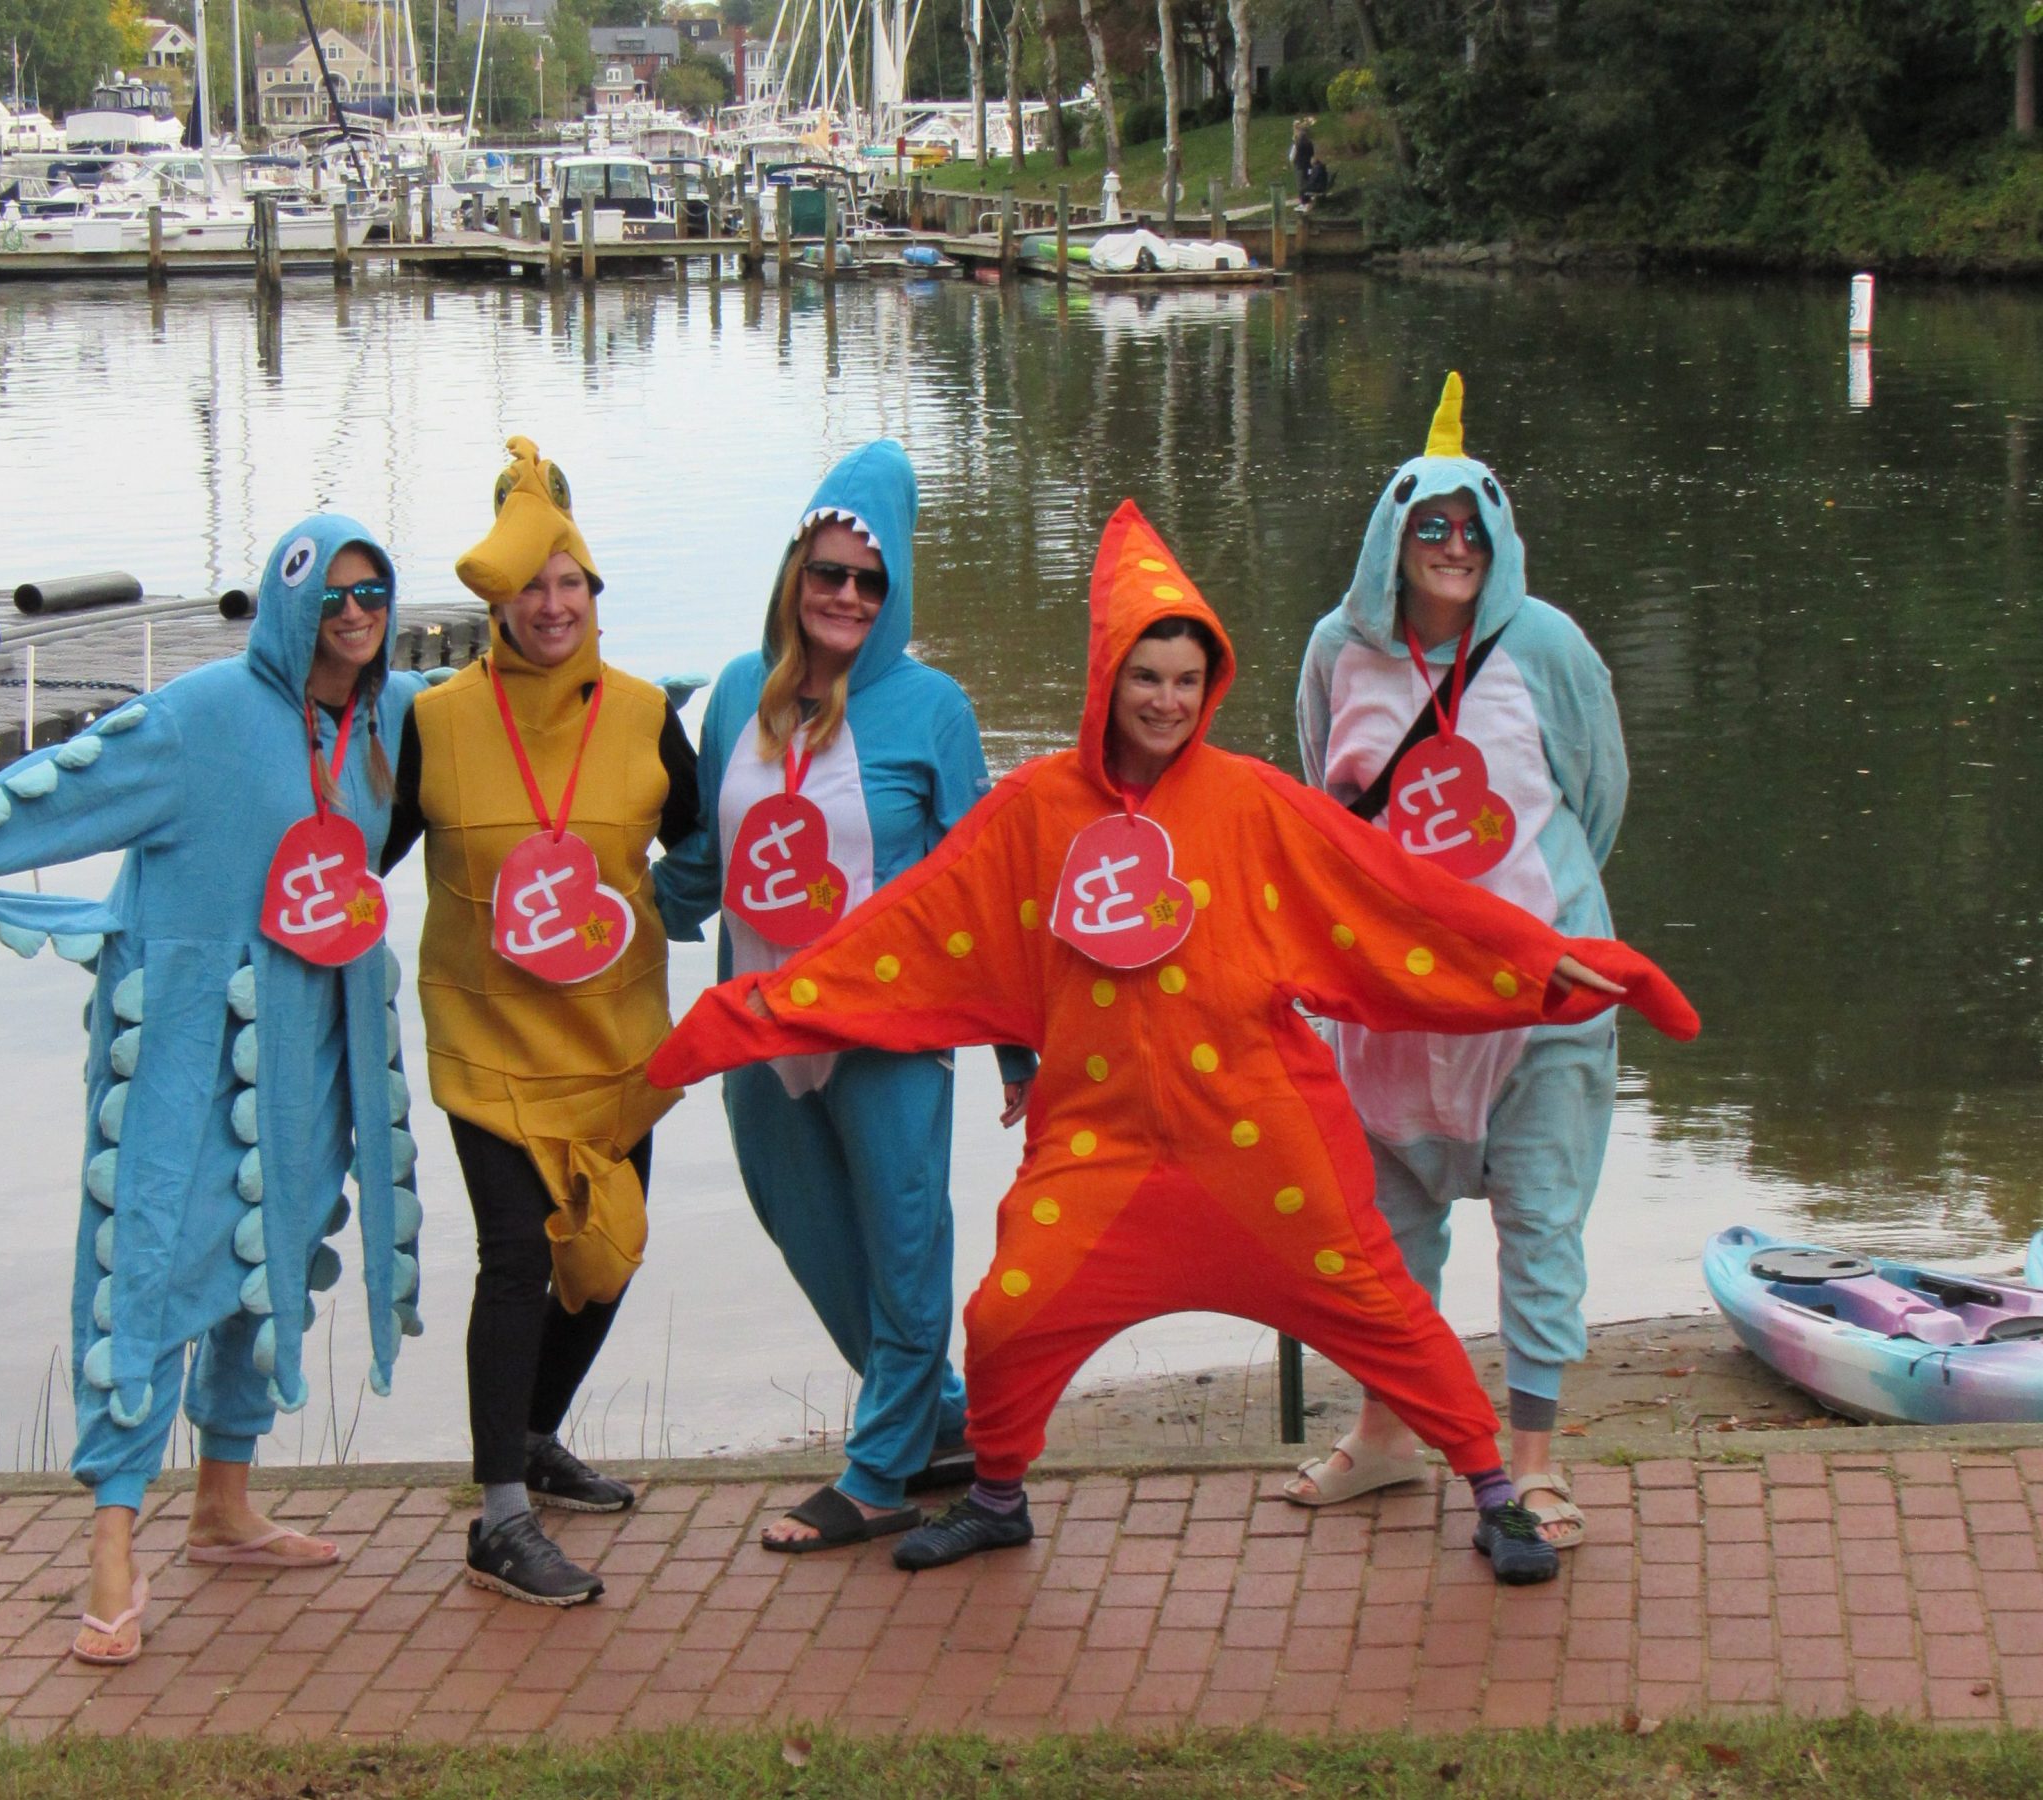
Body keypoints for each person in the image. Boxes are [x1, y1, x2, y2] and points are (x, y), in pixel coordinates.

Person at [646, 501, 1698, 1586]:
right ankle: (997, 1496)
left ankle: (1491, 1487)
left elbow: (1394, 905)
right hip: (1097, 1150)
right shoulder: (1035, 812)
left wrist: (1536, 961)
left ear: (1212, 688)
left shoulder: (1254, 806)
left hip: (1263, 1139)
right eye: (1147, 676)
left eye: (1187, 681)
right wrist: (743, 1014)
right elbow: (911, 933)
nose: (1166, 700)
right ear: (1110, 679)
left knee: (1380, 1306)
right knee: (1008, 1319)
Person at [0, 517, 429, 1664]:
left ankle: (224, 1507)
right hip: (186, 1041)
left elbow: (496, 724)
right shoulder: (197, 719)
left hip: (311, 1040)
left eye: (373, 592)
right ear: (293, 602)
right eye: (335, 595)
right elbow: (54, 793)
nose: (355, 613)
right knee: (146, 1265)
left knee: (274, 1256)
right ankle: (111, 1542)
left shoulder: (390, 721)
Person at [653, 441, 1036, 1553]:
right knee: (807, 1231)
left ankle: (876, 1477)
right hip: (760, 1021)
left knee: (906, 1239)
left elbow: (981, 886)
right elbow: (703, 859)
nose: (848, 597)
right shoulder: (736, 694)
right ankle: (942, 1427)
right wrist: (619, 923)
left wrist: (1017, 1047)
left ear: (896, 590)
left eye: (869, 581)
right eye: (829, 574)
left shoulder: (934, 709)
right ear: (794, 575)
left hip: (889, 1025)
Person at [1287, 373, 1628, 1547]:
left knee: (1541, 1226)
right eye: (1429, 525)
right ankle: (1389, 1434)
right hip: (1391, 1008)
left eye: (1473, 528)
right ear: (1391, 534)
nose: (1452, 546)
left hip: (1541, 1003)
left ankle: (1533, 1459)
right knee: (1384, 1234)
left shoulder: (1548, 646)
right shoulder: (1339, 648)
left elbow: (1596, 794)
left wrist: (1536, 912)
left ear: (1503, 540)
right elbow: (1333, 812)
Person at [382, 437, 701, 1606]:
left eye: (570, 582)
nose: (552, 603)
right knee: (519, 1256)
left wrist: (697, 907)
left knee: (606, 1260)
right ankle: (499, 1517)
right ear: (495, 599)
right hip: (487, 1046)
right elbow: (356, 859)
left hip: (617, 1049)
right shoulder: (437, 721)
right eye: (531, 584)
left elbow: (711, 850)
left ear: (594, 594)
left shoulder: (648, 715)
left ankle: (532, 1436)